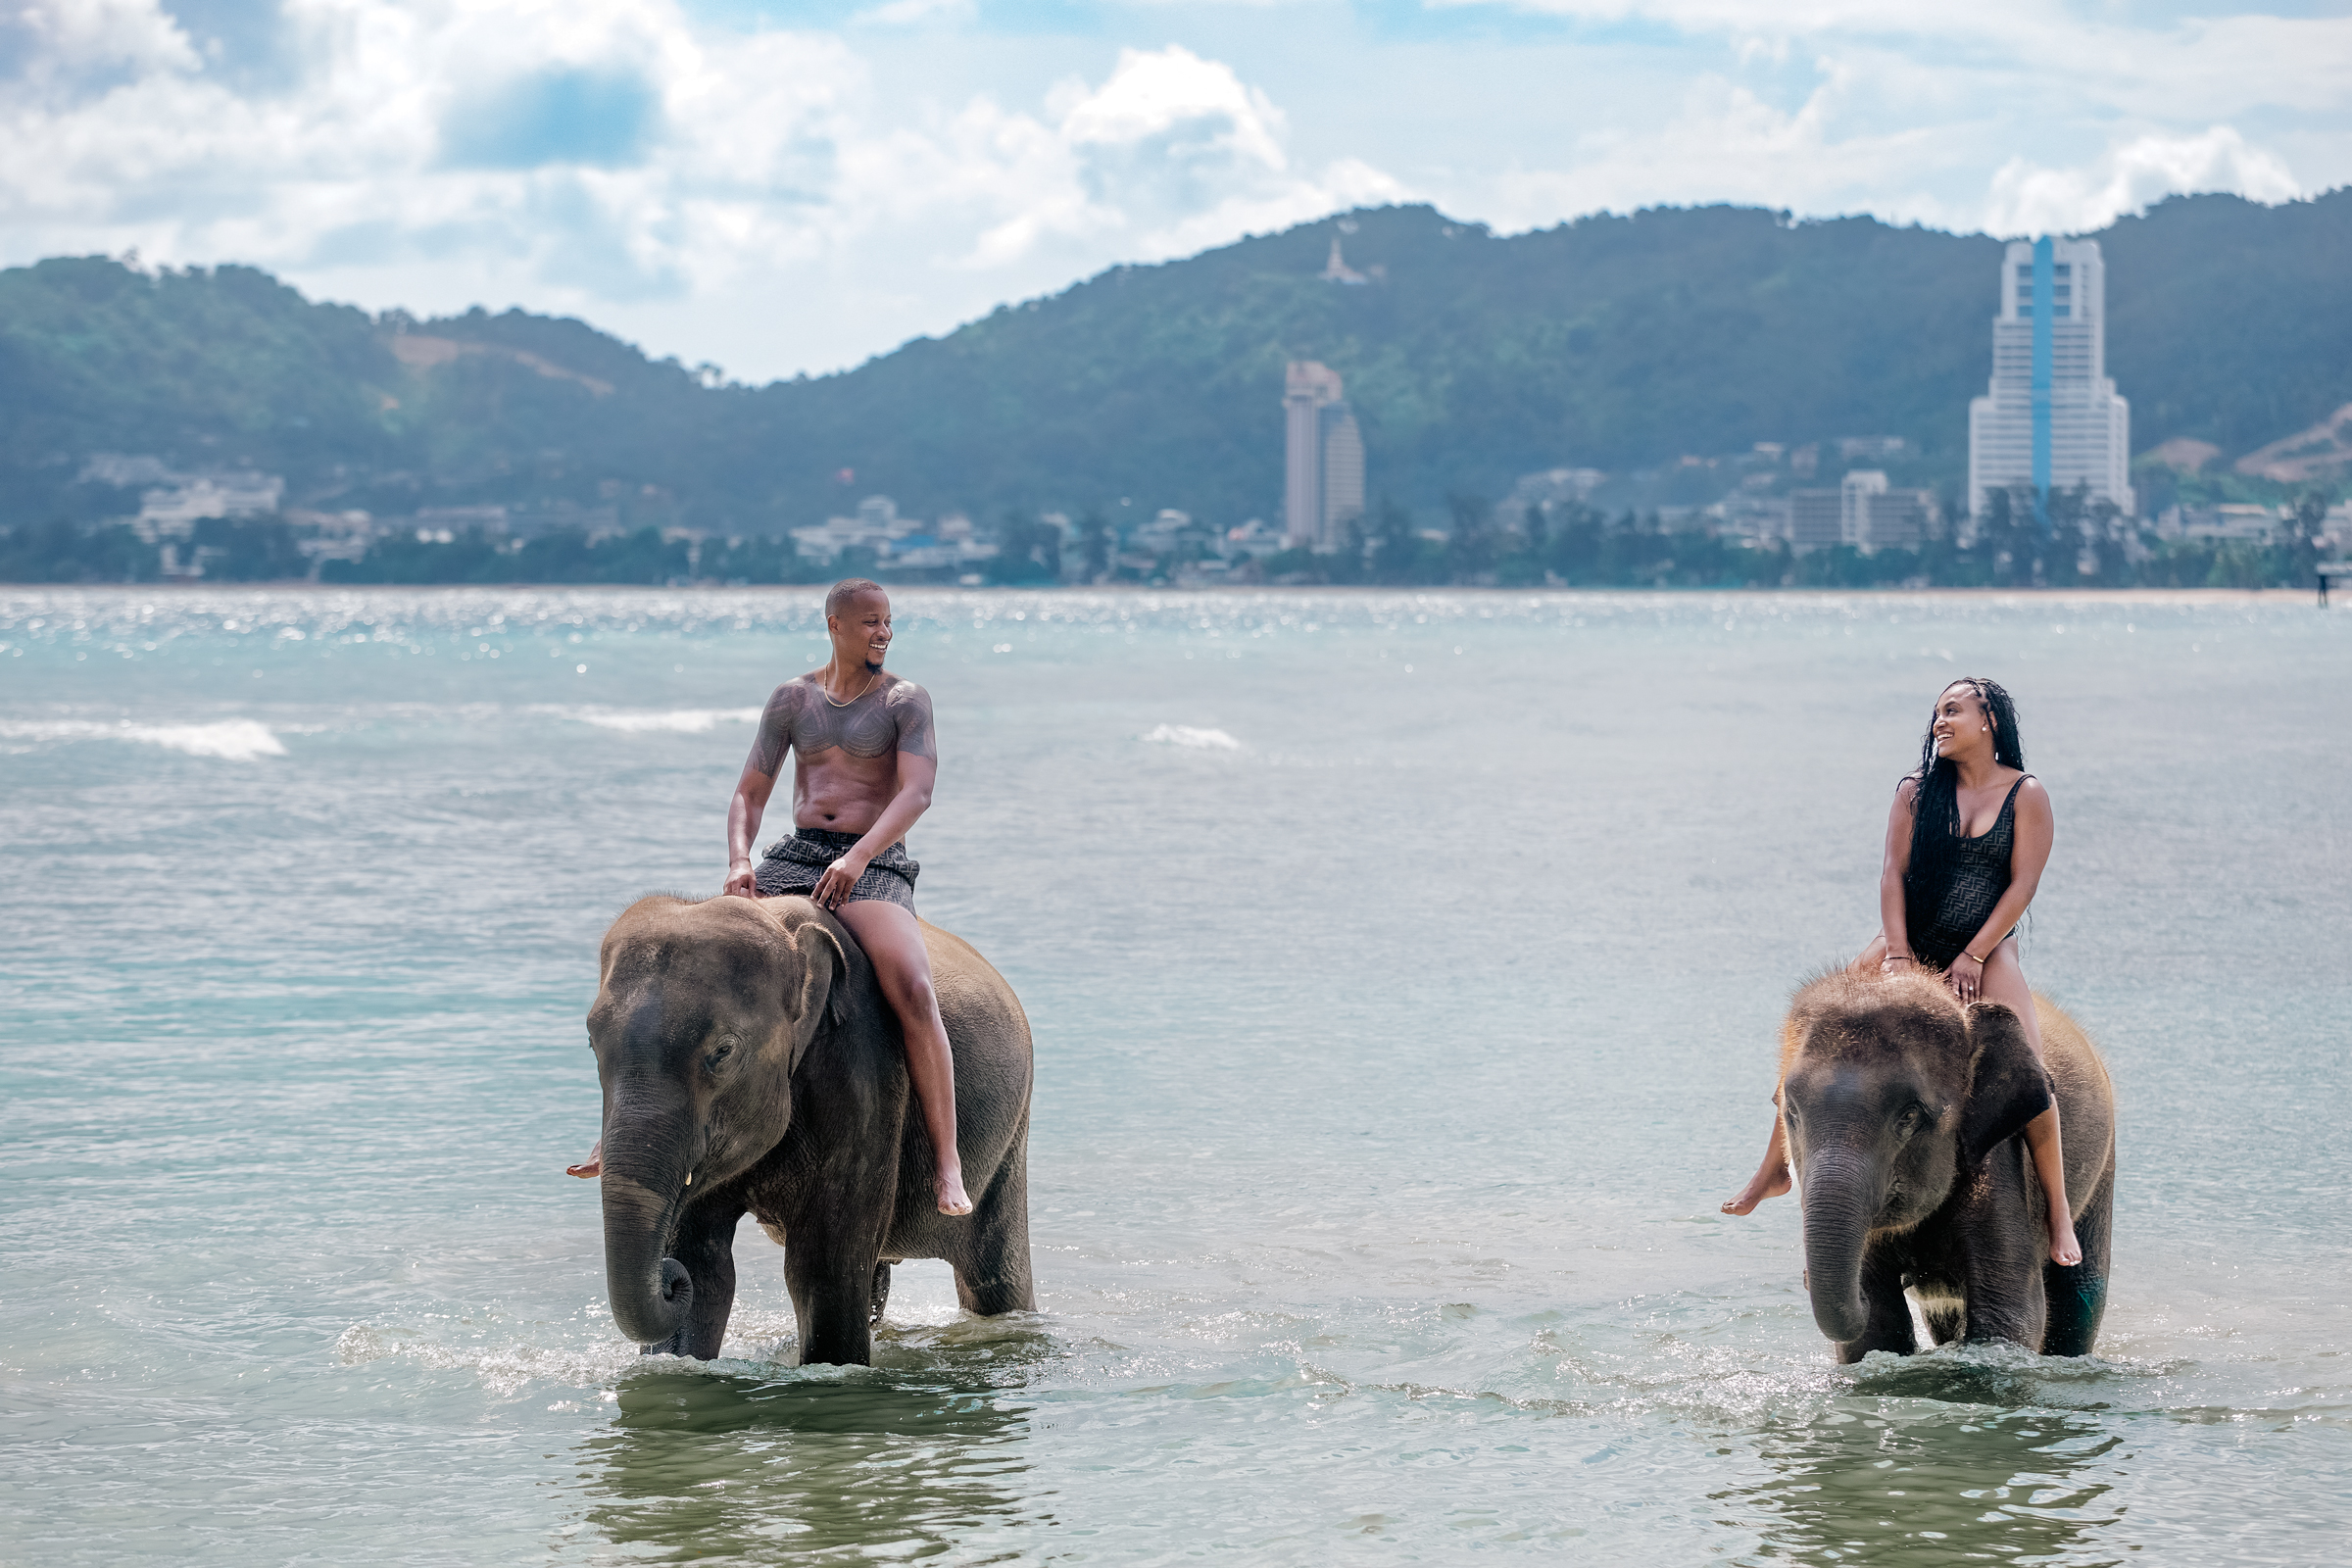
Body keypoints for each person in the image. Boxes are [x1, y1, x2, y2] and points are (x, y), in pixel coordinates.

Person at [570, 578, 972, 1216]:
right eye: (870, 622)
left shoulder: (905, 700)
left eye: (888, 622)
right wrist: (739, 860)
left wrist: (858, 855)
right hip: (797, 856)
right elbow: (749, 794)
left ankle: (948, 1167)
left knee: (917, 990)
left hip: (870, 863)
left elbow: (916, 793)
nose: (883, 633)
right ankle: (622, 1136)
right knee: (689, 975)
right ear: (835, 625)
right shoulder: (793, 699)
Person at [1722, 677, 2081, 1266]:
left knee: (2033, 1077)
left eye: (1953, 711)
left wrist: (1975, 954)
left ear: (1989, 718)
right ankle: (1772, 1170)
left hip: (1987, 950)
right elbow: (1892, 874)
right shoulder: (1915, 792)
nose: (1940, 722)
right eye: (1936, 713)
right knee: (1812, 1040)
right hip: (1903, 940)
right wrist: (1896, 955)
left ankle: (2059, 1213)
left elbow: (2023, 885)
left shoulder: (2027, 794)